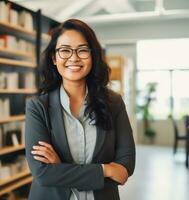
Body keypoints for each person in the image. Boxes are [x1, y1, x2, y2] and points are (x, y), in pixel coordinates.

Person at [25, 18, 135, 200]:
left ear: (93, 56)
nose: (74, 58)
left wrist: (60, 167)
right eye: (65, 50)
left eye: (82, 50)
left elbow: (124, 169)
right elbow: (43, 173)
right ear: (54, 57)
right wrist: (105, 170)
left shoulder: (114, 103)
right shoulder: (38, 107)